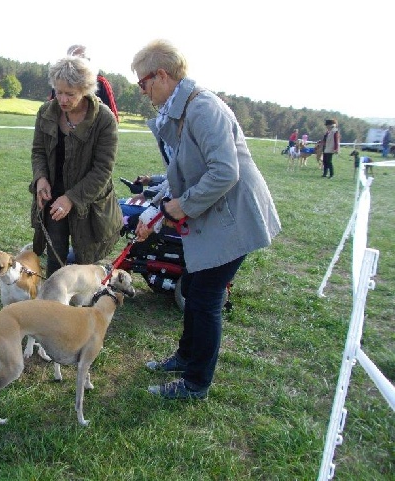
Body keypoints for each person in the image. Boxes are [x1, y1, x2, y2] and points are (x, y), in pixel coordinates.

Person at [131, 39, 281, 400]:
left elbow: (224, 172)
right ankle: (185, 357)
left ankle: (196, 383)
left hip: (234, 218)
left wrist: (181, 207)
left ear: (163, 75)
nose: (142, 91)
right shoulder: (182, 111)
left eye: (143, 82)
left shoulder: (202, 109)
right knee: (197, 288)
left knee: (207, 297)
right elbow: (186, 167)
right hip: (215, 214)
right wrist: (157, 194)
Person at [31, 56, 122, 277]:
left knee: (85, 260)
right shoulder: (46, 112)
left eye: (70, 94)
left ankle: (83, 309)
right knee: (56, 257)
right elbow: (39, 152)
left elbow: (103, 169)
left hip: (88, 201)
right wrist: (41, 178)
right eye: (58, 91)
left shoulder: (104, 120)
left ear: (86, 89)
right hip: (53, 197)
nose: (62, 99)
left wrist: (72, 198)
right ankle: (54, 307)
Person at [50, 45, 119, 123]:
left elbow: (113, 118)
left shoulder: (101, 82)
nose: (64, 99)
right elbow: (51, 112)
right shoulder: (58, 82)